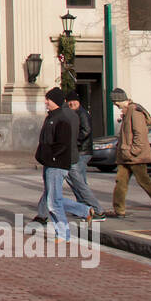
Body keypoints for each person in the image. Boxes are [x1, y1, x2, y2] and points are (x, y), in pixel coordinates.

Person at [33, 87, 90, 240]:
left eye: (48, 99)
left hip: (57, 165)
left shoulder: (62, 119)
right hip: (50, 163)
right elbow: (45, 140)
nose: (46, 102)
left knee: (53, 202)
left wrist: (51, 158)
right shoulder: (50, 118)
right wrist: (41, 155)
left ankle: (63, 234)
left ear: (55, 101)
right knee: (54, 199)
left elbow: (63, 144)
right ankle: (85, 211)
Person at [108, 87, 151, 219]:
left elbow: (140, 134)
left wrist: (133, 151)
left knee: (144, 182)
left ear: (120, 100)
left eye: (115, 102)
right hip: (126, 156)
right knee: (121, 181)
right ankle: (119, 210)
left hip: (134, 156)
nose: (115, 104)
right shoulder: (128, 111)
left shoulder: (134, 111)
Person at [64, 92, 105, 220]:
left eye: (74, 101)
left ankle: (91, 208)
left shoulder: (82, 114)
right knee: (78, 179)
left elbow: (86, 131)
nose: (72, 103)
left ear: (79, 102)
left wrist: (74, 142)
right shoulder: (74, 113)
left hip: (82, 151)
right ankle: (83, 207)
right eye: (69, 102)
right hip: (80, 151)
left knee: (78, 180)